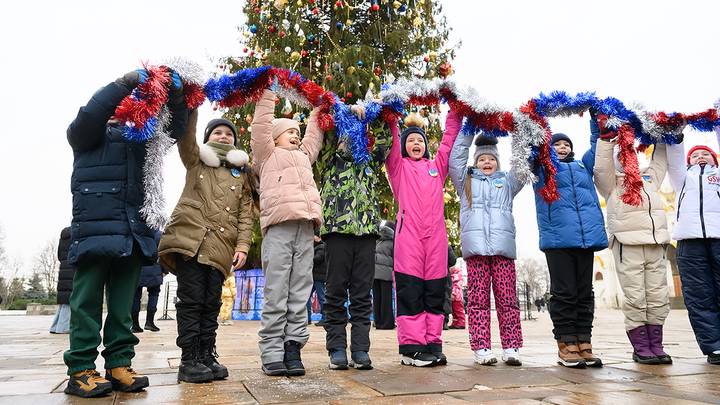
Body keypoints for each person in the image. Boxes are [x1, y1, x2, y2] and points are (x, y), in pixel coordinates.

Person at [63, 69, 188, 398]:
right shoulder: (88, 135)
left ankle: (119, 363)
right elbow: (91, 112)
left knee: (122, 307)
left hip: (133, 232)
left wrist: (175, 95)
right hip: (95, 230)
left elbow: (176, 128)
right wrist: (122, 84)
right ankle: (80, 369)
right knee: (86, 303)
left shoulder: (143, 140)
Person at [159, 111, 254, 383]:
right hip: (193, 241)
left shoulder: (242, 175)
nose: (224, 136)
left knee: (211, 303)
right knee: (192, 301)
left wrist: (243, 246)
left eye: (229, 133)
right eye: (217, 132)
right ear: (207, 137)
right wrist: (191, 108)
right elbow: (186, 140)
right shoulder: (196, 161)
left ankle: (206, 354)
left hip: (222, 247)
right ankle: (189, 359)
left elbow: (245, 215)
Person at [251, 88, 324, 376]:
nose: (295, 135)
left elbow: (314, 134)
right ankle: (271, 350)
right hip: (279, 228)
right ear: (275, 136)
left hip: (305, 229)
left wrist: (320, 106)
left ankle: (293, 346)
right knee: (276, 290)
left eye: (297, 131)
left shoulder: (304, 156)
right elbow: (260, 126)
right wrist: (269, 92)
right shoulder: (266, 154)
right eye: (289, 132)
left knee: (300, 291)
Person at [594, 116, 672, 365]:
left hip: (655, 243)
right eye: (625, 156)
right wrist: (606, 140)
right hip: (628, 245)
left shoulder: (650, 179)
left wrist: (662, 135)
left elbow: (661, 160)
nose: (631, 160)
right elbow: (601, 168)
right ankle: (641, 347)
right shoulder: (613, 183)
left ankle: (656, 345)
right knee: (636, 297)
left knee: (658, 296)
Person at [386, 110, 462, 367]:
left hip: (436, 240)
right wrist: (390, 115)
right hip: (409, 238)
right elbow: (393, 140)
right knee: (411, 290)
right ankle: (412, 347)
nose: (416, 144)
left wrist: (455, 113)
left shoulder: (436, 168)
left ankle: (432, 343)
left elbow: (448, 142)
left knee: (434, 291)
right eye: (411, 141)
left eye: (420, 141)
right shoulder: (398, 167)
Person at [531, 116, 608, 369]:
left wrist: (596, 119)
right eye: (557, 145)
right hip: (558, 240)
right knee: (564, 293)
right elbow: (532, 151)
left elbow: (597, 144)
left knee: (584, 293)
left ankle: (584, 342)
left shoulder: (584, 166)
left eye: (566, 144)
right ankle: (566, 344)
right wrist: (536, 122)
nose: (562, 148)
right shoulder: (544, 169)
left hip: (586, 239)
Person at [321, 108, 389, 370]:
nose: (349, 139)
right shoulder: (329, 159)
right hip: (337, 233)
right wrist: (342, 112)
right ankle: (337, 348)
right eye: (345, 134)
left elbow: (385, 142)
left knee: (362, 294)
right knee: (335, 291)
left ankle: (361, 349)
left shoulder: (370, 162)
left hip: (366, 235)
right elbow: (324, 130)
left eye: (355, 134)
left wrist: (373, 114)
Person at [449, 134, 525, 366]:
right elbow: (455, 160)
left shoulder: (508, 182)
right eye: (481, 159)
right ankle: (481, 346)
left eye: (490, 159)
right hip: (477, 252)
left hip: (503, 250)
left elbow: (523, 166)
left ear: (497, 161)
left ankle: (511, 346)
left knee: (508, 299)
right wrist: (468, 130)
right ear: (475, 162)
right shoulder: (466, 181)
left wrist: (522, 132)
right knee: (478, 301)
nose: (486, 163)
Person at [666, 128, 720, 365]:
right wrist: (676, 137)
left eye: (705, 154)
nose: (700, 157)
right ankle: (714, 346)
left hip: (718, 238)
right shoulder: (682, 179)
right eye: (695, 154)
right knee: (699, 296)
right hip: (689, 242)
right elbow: (675, 160)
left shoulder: (718, 175)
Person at [132, 231, 164, 333]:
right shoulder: (158, 234)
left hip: (137, 268)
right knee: (154, 295)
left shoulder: (135, 232)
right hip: (154, 268)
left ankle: (135, 324)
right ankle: (149, 323)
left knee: (135, 297)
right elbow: (163, 253)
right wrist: (164, 270)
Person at [50, 227, 74, 334]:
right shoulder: (76, 233)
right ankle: (63, 328)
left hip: (63, 268)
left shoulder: (63, 236)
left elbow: (59, 255)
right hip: (72, 269)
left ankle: (54, 327)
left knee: (63, 303)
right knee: (68, 301)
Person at [373, 221, 396, 330]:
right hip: (386, 274)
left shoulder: (378, 241)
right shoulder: (393, 243)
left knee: (377, 298)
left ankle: (378, 322)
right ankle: (387, 323)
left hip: (375, 274)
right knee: (386, 299)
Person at [306, 232, 327, 326]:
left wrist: (307, 257)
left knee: (321, 297)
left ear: (318, 237)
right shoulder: (316, 247)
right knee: (306, 297)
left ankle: (325, 318)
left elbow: (318, 259)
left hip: (319, 277)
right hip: (314, 277)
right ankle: (307, 318)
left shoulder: (321, 247)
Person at [443, 246, 457, 330]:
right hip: (444, 273)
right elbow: (452, 261)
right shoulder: (446, 246)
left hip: (431, 272)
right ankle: (444, 321)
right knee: (446, 297)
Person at [448, 263, 466, 330]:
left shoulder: (457, 276)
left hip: (457, 296)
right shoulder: (453, 275)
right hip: (453, 296)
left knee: (458, 310)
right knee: (454, 311)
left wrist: (453, 293)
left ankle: (461, 322)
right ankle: (455, 322)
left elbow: (457, 285)